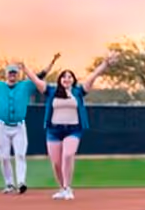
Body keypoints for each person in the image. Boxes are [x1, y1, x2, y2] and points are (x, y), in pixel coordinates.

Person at [0, 51, 58, 195]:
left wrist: (52, 61)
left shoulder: (26, 85)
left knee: (20, 155)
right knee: (4, 157)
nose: (12, 75)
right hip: (3, 126)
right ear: (6, 74)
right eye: (10, 73)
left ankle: (21, 182)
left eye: (14, 73)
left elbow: (41, 75)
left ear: (18, 75)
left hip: (19, 126)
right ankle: (9, 184)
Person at [39, 53, 119, 201]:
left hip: (74, 129)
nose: (67, 79)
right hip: (54, 130)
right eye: (64, 76)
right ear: (60, 80)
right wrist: (24, 69)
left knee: (68, 155)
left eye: (70, 76)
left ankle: (68, 188)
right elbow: (36, 81)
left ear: (73, 80)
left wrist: (105, 64)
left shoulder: (78, 92)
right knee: (56, 162)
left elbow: (93, 76)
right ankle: (62, 188)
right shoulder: (52, 91)